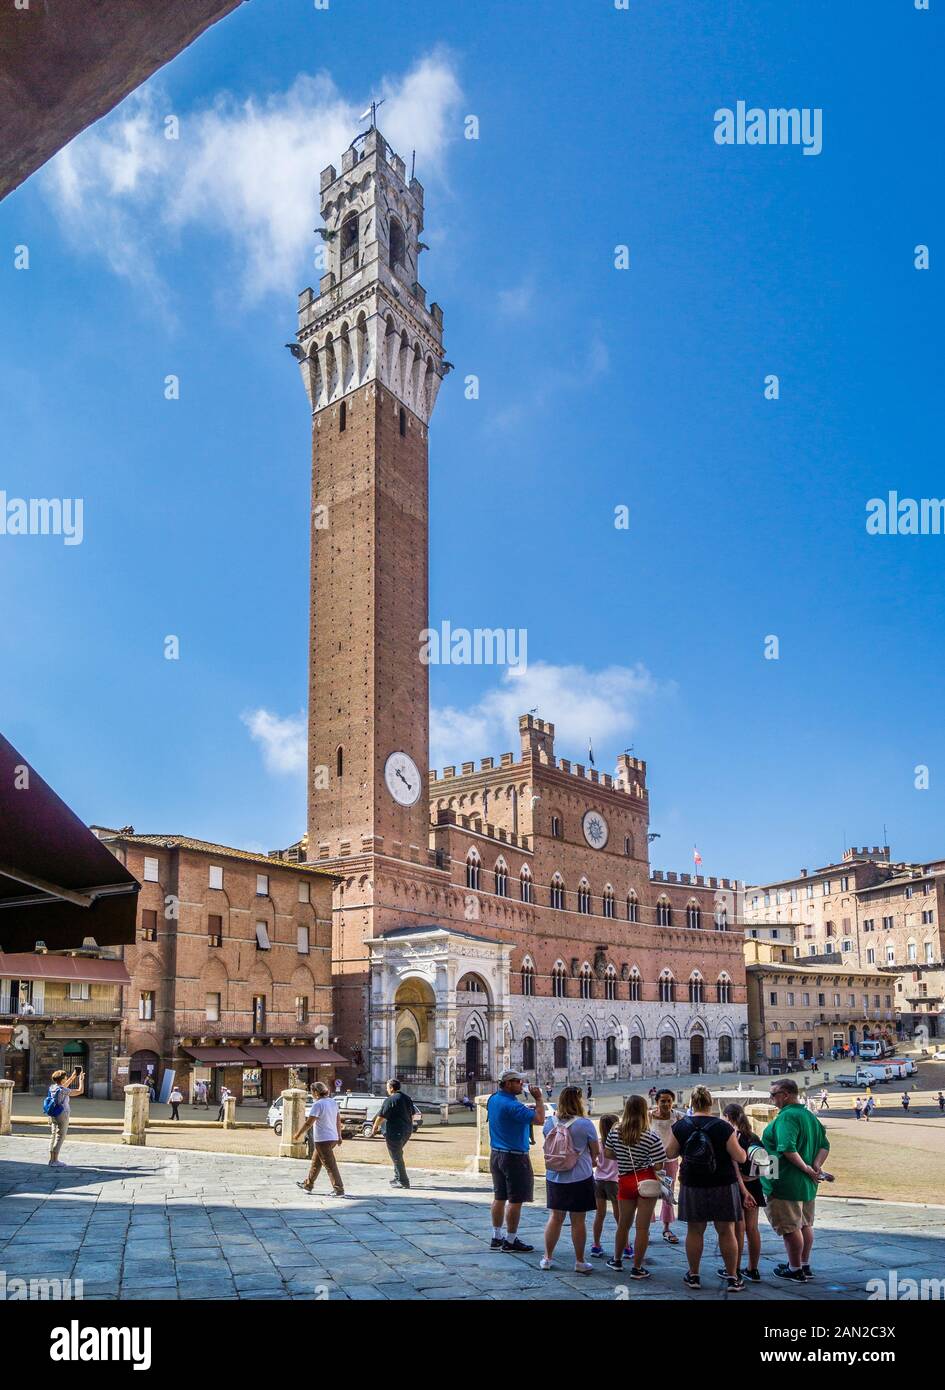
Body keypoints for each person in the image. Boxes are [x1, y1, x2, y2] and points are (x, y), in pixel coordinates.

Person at [664, 1084, 746, 1293]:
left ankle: (693, 1275)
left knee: (695, 1231)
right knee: (726, 1231)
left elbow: (670, 1154)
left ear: (691, 1103)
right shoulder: (723, 1126)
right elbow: (740, 1157)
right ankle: (733, 1278)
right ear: (710, 1103)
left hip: (693, 1183)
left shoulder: (681, 1126)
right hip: (722, 1183)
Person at [761, 1078, 831, 1283]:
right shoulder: (808, 1115)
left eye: (773, 1094)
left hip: (785, 1179)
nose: (772, 1099)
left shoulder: (787, 1117)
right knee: (805, 1224)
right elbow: (825, 1145)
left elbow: (787, 1148)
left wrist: (808, 1169)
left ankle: (795, 1269)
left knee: (791, 1227)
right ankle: (803, 1264)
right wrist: (815, 1166)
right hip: (806, 1182)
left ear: (786, 1095)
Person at [603, 1094, 666, 1278]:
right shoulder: (650, 1135)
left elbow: (607, 1153)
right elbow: (659, 1165)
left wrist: (623, 1159)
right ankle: (637, 1268)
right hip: (645, 1179)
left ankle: (616, 1260)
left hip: (624, 1179)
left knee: (623, 1224)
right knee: (642, 1228)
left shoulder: (615, 1131)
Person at [540, 1085, 599, 1273]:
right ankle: (580, 1261)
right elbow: (595, 1152)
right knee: (578, 1221)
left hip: (555, 1176)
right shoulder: (585, 1124)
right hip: (579, 1176)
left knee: (555, 1218)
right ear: (578, 1101)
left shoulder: (550, 1122)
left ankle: (547, 1257)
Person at [485, 1069, 545, 1252]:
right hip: (515, 1157)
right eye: (518, 1082)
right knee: (515, 1200)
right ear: (509, 1083)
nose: (522, 1085)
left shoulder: (493, 1099)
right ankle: (510, 1241)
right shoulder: (513, 1106)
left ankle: (496, 1236)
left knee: (499, 1197)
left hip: (496, 1154)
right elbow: (540, 1119)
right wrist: (539, 1099)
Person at [722, 1103, 766, 1283]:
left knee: (738, 1229)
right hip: (755, 1185)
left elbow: (734, 1168)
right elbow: (769, 1167)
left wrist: (743, 1188)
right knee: (753, 1229)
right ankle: (753, 1269)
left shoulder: (734, 1138)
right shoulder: (754, 1137)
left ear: (728, 1118)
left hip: (740, 1188)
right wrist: (751, 1180)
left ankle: (735, 1269)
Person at [590, 1113, 631, 1260]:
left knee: (599, 1215)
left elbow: (593, 1162)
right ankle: (626, 1246)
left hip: (599, 1180)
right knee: (619, 1216)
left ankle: (596, 1245)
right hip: (615, 1181)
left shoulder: (599, 1143)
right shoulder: (620, 1142)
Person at [295, 1080, 345, 1196]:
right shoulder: (332, 1102)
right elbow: (338, 1120)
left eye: (312, 1092)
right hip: (332, 1138)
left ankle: (339, 1189)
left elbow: (309, 1123)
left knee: (330, 1165)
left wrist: (299, 1134)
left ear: (316, 1092)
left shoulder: (317, 1104)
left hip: (322, 1139)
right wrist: (339, 1135)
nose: (311, 1094)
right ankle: (308, 1185)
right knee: (316, 1163)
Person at [371, 1078, 418, 1189]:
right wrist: (409, 1126)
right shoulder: (407, 1098)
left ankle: (403, 1181)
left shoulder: (390, 1100)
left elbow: (381, 1116)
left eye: (387, 1087)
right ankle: (397, 1177)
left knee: (396, 1156)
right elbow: (412, 1114)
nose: (386, 1089)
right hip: (406, 1130)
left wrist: (374, 1127)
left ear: (391, 1088)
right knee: (397, 1154)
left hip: (394, 1132)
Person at [649, 1088, 682, 1244]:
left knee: (668, 1192)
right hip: (650, 1160)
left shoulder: (678, 1116)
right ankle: (646, 1226)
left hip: (670, 1159)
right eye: (663, 1101)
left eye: (669, 1101)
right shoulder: (649, 1116)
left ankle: (666, 1227)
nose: (666, 1104)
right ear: (657, 1102)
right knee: (648, 1192)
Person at [45, 1068, 84, 1167]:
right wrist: (81, 1079)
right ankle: (55, 1161)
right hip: (62, 1114)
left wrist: (73, 1076)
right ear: (62, 1079)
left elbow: (63, 1085)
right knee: (60, 1137)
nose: (66, 1078)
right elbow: (80, 1091)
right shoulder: (63, 1090)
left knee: (53, 1136)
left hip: (52, 1113)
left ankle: (51, 1160)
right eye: (65, 1077)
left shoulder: (52, 1087)